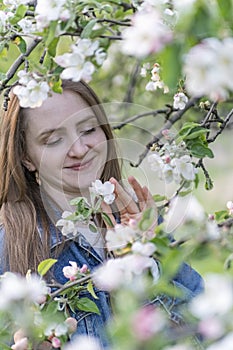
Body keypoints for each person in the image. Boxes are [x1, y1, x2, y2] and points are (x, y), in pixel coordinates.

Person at [0, 80, 203, 349]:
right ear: (26, 157)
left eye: (88, 130)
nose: (79, 149)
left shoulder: (136, 222)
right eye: (53, 139)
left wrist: (146, 263)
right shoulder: (11, 246)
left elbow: (204, 333)